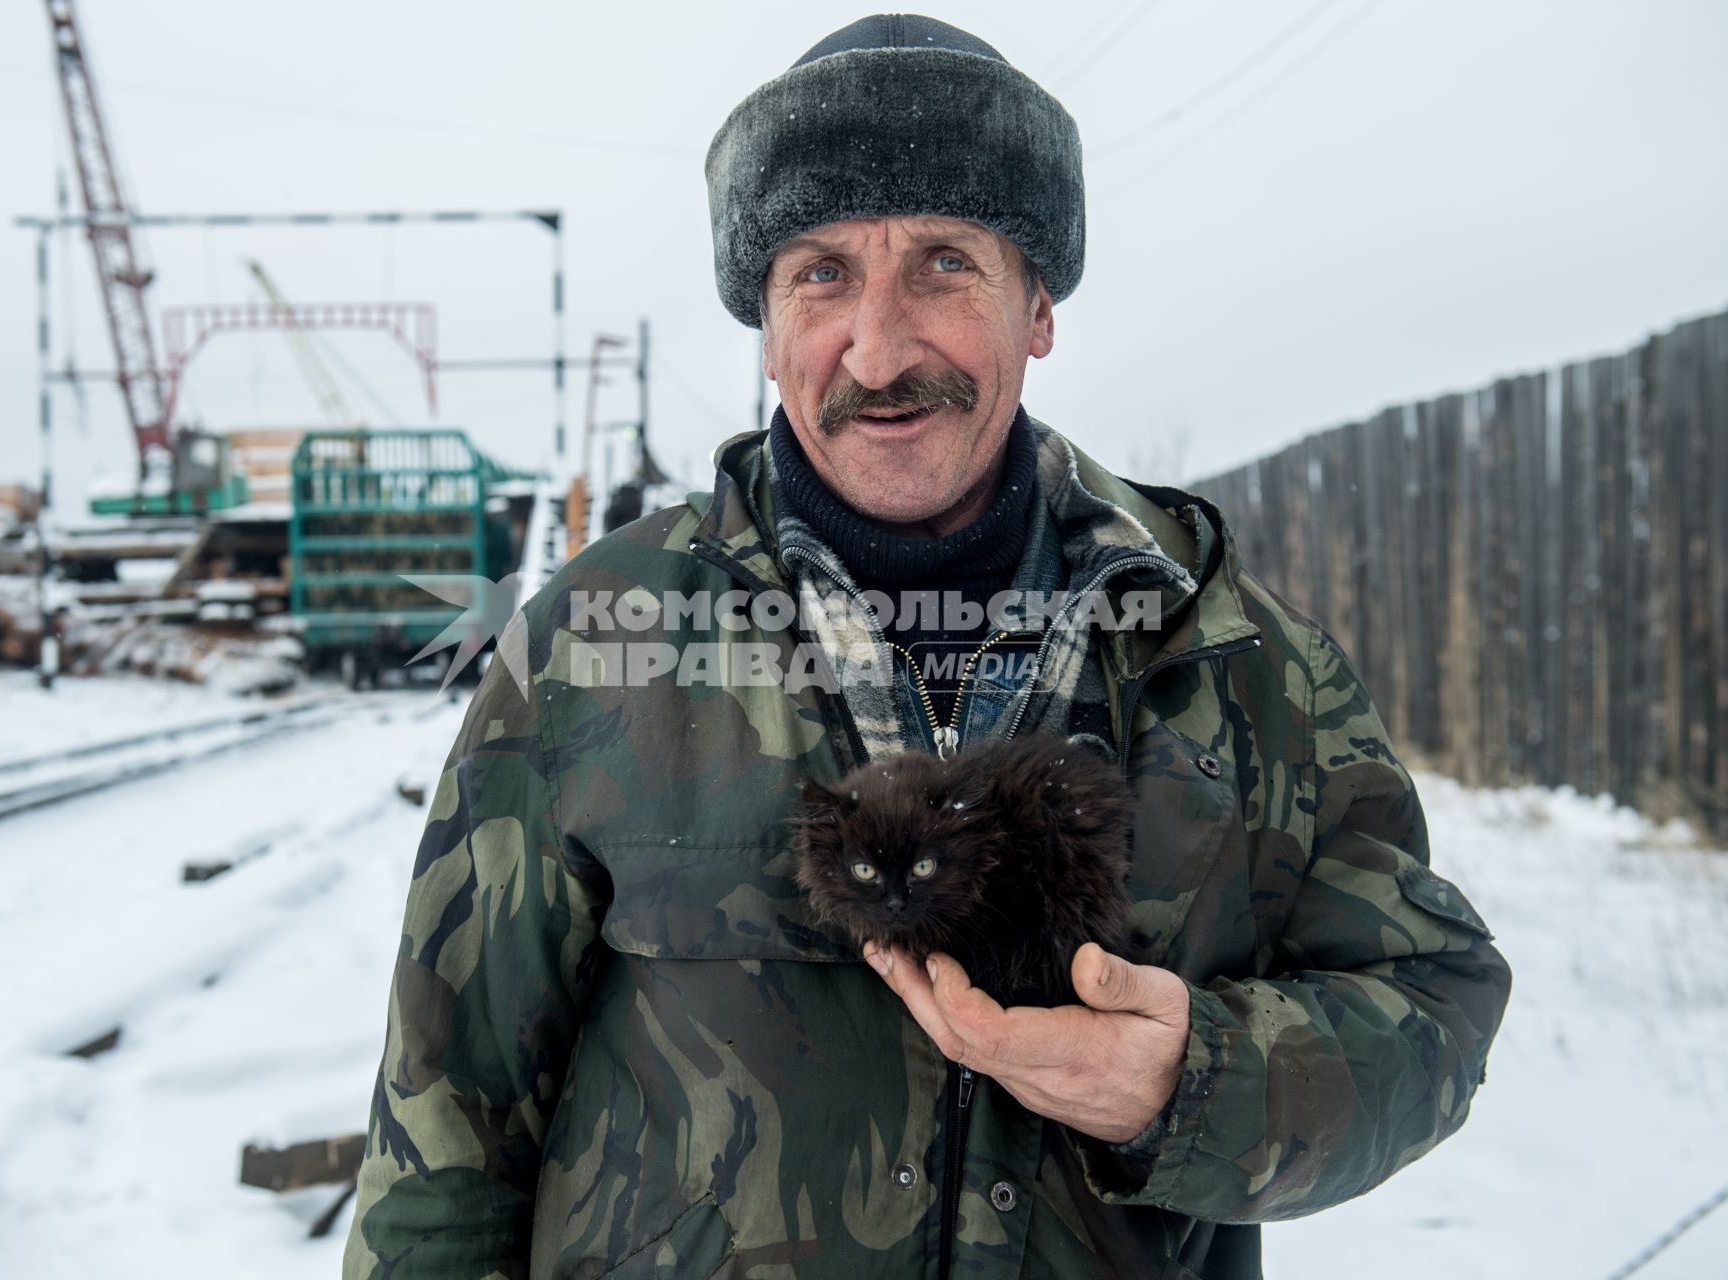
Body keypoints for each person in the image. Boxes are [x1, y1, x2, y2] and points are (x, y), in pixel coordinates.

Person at [343, 15, 1511, 1278]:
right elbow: (442, 1129)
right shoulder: (589, 646)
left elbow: (1429, 1008)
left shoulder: (1230, 656)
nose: (881, 348)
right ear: (769, 319)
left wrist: (1190, 1082)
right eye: (822, 273)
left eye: (945, 263)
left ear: (1039, 306)